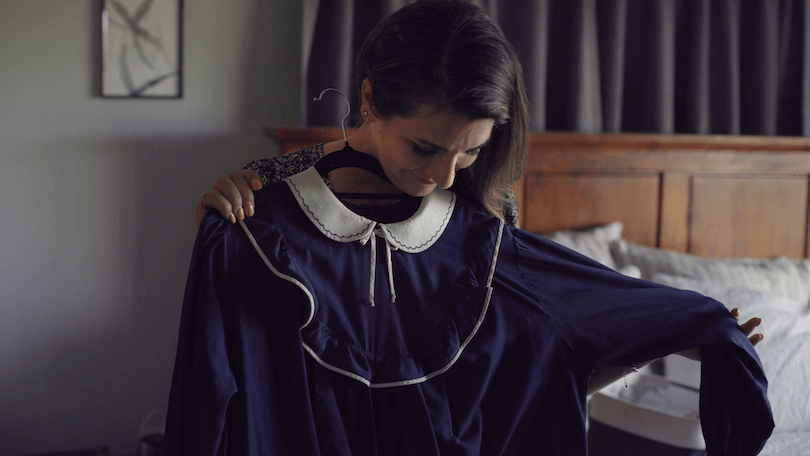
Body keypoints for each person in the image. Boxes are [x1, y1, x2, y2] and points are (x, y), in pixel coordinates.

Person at [165, 2, 772, 455]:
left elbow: (522, 378)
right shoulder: (265, 197)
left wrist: (656, 336)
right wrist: (220, 223)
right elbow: (217, 383)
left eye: (471, 152)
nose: (444, 175)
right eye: (425, 147)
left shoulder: (486, 215)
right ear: (370, 99)